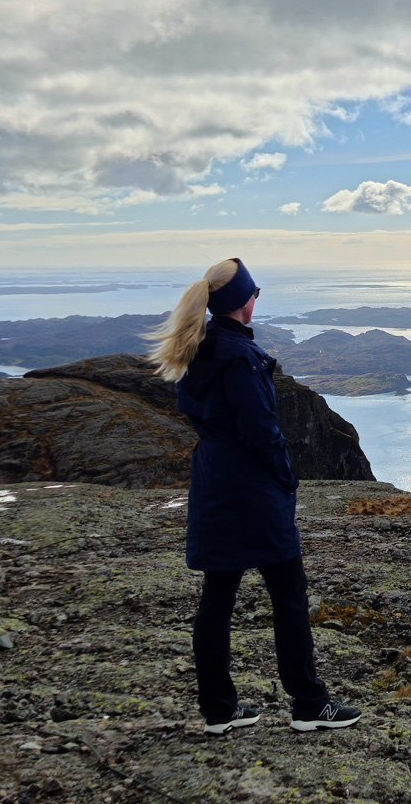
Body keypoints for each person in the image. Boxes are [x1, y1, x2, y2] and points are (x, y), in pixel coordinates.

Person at [145, 258, 362, 734]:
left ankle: (218, 710)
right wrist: (286, 478)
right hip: (253, 492)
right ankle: (309, 704)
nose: (256, 298)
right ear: (245, 301)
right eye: (255, 292)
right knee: (288, 595)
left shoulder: (197, 348)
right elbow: (261, 431)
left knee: (217, 598)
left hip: (214, 484)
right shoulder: (239, 357)